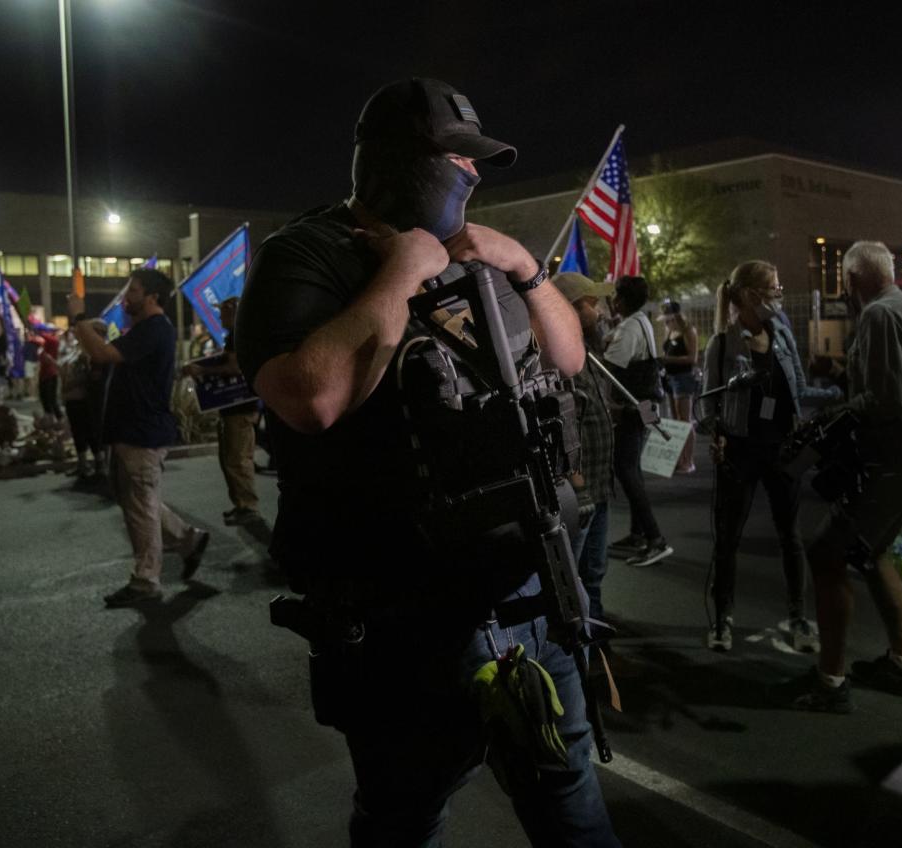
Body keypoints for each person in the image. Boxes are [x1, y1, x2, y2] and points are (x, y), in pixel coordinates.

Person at [236, 78, 618, 847]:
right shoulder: (306, 255)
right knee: (406, 818)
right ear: (403, 164)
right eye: (459, 159)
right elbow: (309, 398)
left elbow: (568, 360)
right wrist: (402, 270)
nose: (474, 176)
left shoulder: (480, 259)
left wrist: (523, 268)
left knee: (571, 808)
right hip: (406, 628)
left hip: (533, 599)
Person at [768, 241, 902, 713]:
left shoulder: (880, 315)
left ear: (851, 281)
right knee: (873, 555)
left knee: (825, 553)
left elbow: (887, 399)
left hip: (894, 464)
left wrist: (826, 420)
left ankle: (831, 682)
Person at [68, 269, 211, 608]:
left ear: (153, 298)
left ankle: (146, 580)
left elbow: (103, 353)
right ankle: (188, 540)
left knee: (140, 506)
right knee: (135, 500)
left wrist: (78, 319)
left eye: (132, 291)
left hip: (142, 433)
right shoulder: (144, 330)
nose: (125, 297)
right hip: (130, 431)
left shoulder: (155, 329)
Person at [701, 261, 819, 654]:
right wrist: (715, 434)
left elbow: (799, 387)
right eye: (774, 288)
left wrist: (840, 397)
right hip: (741, 451)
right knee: (728, 539)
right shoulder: (722, 344)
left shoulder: (781, 334)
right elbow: (708, 405)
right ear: (751, 295)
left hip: (783, 449)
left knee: (791, 537)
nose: (779, 294)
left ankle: (799, 615)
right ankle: (722, 618)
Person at [553, 272, 618, 624]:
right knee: (573, 575)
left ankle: (596, 631)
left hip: (600, 485)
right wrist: (577, 487)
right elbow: (565, 426)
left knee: (594, 570)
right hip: (582, 494)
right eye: (593, 304)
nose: (602, 310)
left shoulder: (590, 351)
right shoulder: (563, 359)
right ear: (572, 309)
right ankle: (579, 644)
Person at [603, 275, 673, 568]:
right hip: (646, 401)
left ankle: (656, 538)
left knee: (625, 467)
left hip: (634, 403)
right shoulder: (640, 320)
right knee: (633, 467)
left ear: (621, 299)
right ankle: (637, 532)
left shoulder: (630, 327)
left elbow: (611, 365)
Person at [181, 296, 261, 525]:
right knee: (229, 459)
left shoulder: (239, 335)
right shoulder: (235, 336)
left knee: (237, 459)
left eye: (223, 312)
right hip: (231, 408)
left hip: (240, 409)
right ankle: (240, 504)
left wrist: (203, 371)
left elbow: (235, 367)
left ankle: (248, 507)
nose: (219, 316)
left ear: (234, 312)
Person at [60, 317, 107, 479]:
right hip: (72, 398)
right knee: (77, 431)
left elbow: (93, 376)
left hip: (85, 399)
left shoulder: (94, 352)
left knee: (91, 431)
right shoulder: (78, 349)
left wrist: (72, 384)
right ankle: (82, 464)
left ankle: (99, 465)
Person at [658, 299, 698, 474]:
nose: (667, 323)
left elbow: (692, 358)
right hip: (669, 378)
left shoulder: (688, 331)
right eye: (666, 319)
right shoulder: (669, 331)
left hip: (683, 377)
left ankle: (688, 461)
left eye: (670, 319)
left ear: (678, 317)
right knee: (676, 422)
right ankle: (680, 459)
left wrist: (668, 360)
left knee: (685, 421)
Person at [37, 330, 63, 420]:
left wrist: (38, 331)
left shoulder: (53, 343)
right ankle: (52, 421)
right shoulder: (46, 347)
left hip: (49, 375)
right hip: (45, 375)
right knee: (47, 400)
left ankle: (57, 420)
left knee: (50, 401)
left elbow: (45, 337)